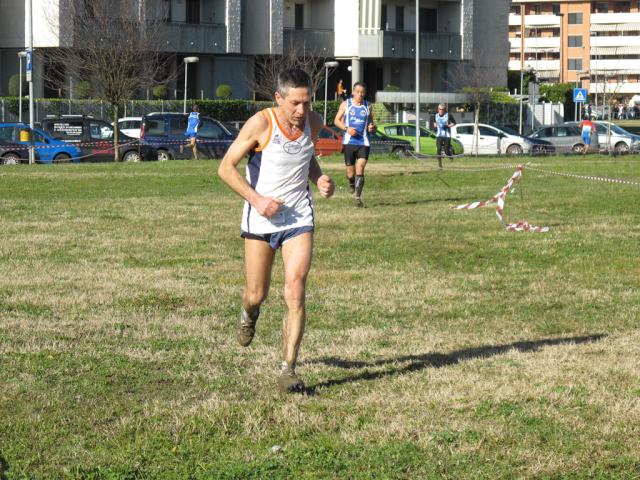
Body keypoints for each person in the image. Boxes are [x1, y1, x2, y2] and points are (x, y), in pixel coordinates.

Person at [217, 68, 335, 394]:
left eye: (307, 103)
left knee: (295, 289)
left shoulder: (313, 121)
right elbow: (225, 168)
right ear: (279, 98)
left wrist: (320, 178)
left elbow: (307, 158)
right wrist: (257, 200)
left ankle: (289, 369)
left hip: (298, 217)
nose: (302, 111)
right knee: (257, 294)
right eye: (295, 103)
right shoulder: (261, 123)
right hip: (261, 220)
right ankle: (249, 312)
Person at [333, 82, 375, 207]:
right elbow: (336, 121)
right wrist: (347, 129)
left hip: (364, 142)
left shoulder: (368, 106)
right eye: (358, 92)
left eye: (362, 92)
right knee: (350, 173)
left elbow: (371, 123)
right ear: (353, 92)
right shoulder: (346, 104)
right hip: (349, 142)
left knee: (360, 167)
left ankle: (357, 198)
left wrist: (372, 127)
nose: (360, 94)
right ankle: (351, 182)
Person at [432, 103, 456, 169]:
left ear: (444, 110)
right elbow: (434, 124)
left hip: (447, 136)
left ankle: (450, 155)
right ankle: (440, 165)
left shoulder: (448, 115)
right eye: (440, 109)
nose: (441, 111)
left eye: (443, 109)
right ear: (438, 109)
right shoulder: (435, 116)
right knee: (439, 149)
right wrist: (435, 127)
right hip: (439, 135)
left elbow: (454, 123)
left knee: (446, 151)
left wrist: (448, 126)